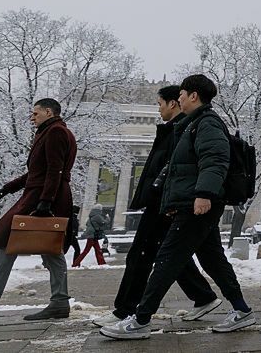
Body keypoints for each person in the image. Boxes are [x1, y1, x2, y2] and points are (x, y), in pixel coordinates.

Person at [101, 74, 255, 340]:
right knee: (212, 259)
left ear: (194, 96)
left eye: (182, 94)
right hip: (191, 203)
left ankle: (140, 320)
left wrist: (204, 194)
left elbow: (215, 160)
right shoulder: (193, 124)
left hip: (199, 204)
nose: (179, 98)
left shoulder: (207, 123)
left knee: (167, 259)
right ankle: (242, 310)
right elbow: (180, 169)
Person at [91, 86, 219, 327]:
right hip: (164, 202)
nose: (158, 109)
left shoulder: (182, 130)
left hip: (165, 204)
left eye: (160, 104)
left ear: (173, 103)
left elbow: (178, 169)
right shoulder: (174, 129)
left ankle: (126, 310)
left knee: (141, 255)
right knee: (169, 255)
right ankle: (203, 296)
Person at [0, 98, 77, 322]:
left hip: (42, 197)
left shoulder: (56, 132)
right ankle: (59, 302)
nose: (32, 117)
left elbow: (55, 170)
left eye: (35, 113)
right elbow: (37, 172)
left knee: (7, 243)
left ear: (48, 112)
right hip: (43, 195)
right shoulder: (51, 132)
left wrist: (45, 202)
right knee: (51, 249)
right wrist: (5, 190)